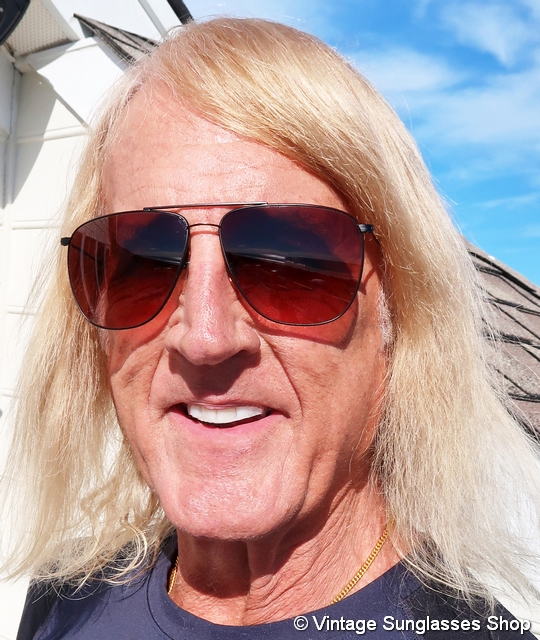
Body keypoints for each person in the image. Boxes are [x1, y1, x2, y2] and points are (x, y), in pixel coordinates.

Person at [2, 17, 540, 640]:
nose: (204, 338)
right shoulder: (64, 600)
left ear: (396, 312)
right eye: (141, 262)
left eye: (287, 263)